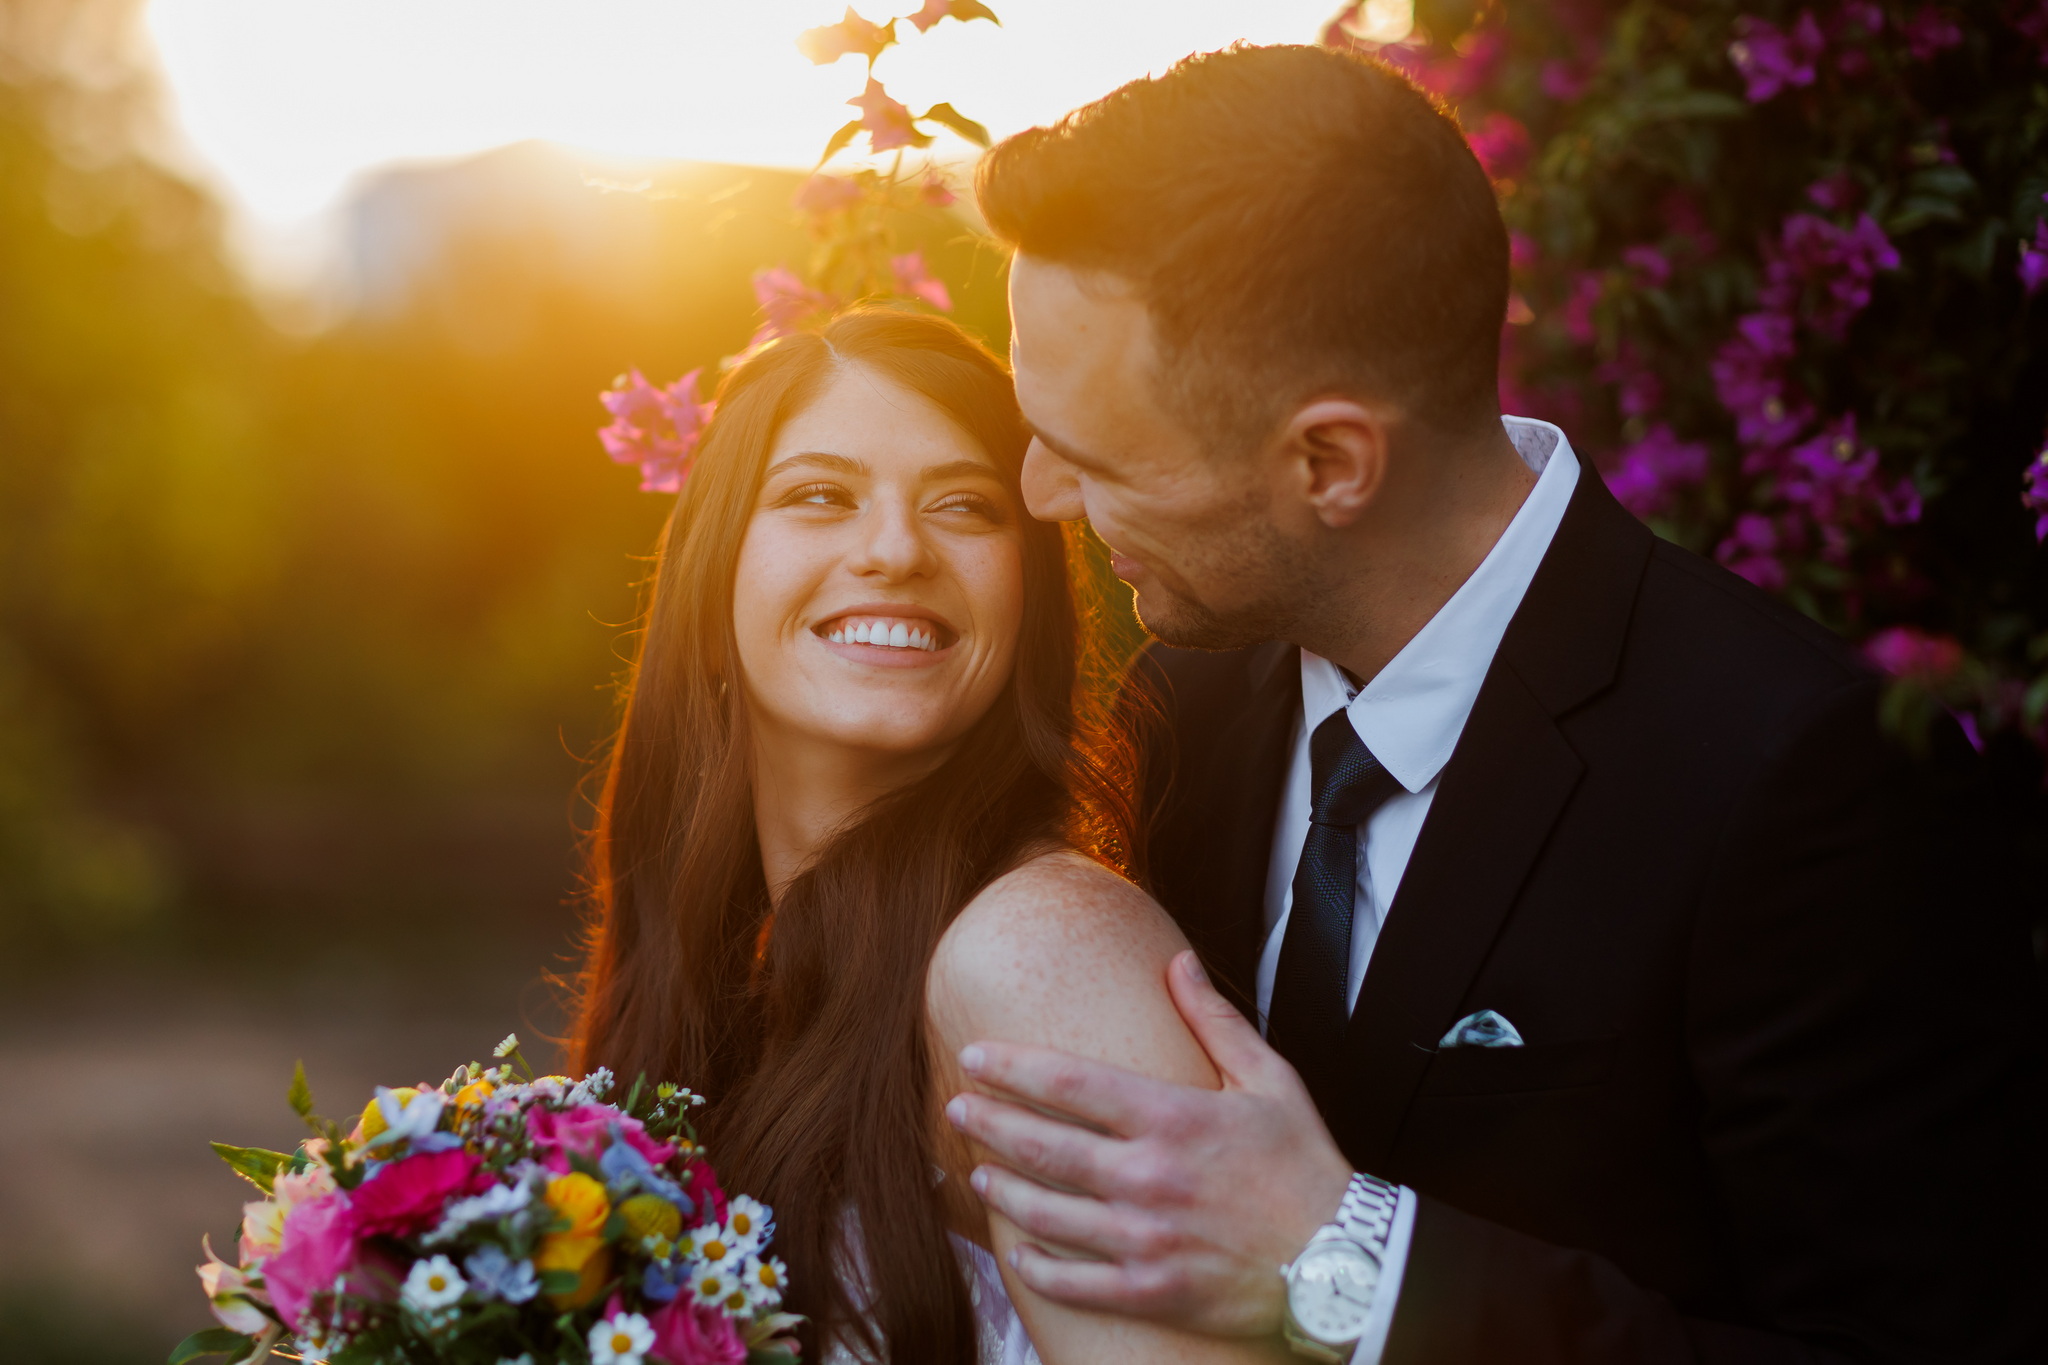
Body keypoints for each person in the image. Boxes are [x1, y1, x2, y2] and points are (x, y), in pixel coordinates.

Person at [945, 43, 2047, 1364]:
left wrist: (1360, 1258)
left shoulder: (1801, 782)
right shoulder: (1186, 692)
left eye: (1094, 456)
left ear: (1330, 463)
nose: (1042, 495)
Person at [569, 309, 1293, 1364]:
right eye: (820, 496)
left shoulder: (1038, 957)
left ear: (1028, 591)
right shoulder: (717, 966)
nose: (896, 550)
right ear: (712, 570)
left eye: (963, 506)